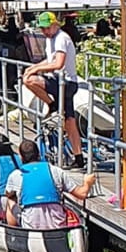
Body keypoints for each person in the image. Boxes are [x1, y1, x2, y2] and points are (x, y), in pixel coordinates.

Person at [21, 11, 85, 168]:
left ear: (55, 25)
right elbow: (50, 60)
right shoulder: (51, 39)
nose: (44, 32)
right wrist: (35, 66)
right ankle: (79, 157)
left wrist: (35, 71)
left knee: (28, 80)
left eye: (47, 28)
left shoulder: (61, 38)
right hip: (60, 81)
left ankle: (51, 103)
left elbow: (58, 64)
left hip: (65, 82)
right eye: (42, 29)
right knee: (70, 121)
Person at [3, 139, 98, 230]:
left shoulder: (16, 175)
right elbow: (82, 194)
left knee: (10, 200)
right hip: (57, 224)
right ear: (39, 154)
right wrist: (87, 183)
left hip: (31, 225)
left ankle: (13, 231)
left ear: (21, 157)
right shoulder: (56, 171)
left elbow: (8, 194)